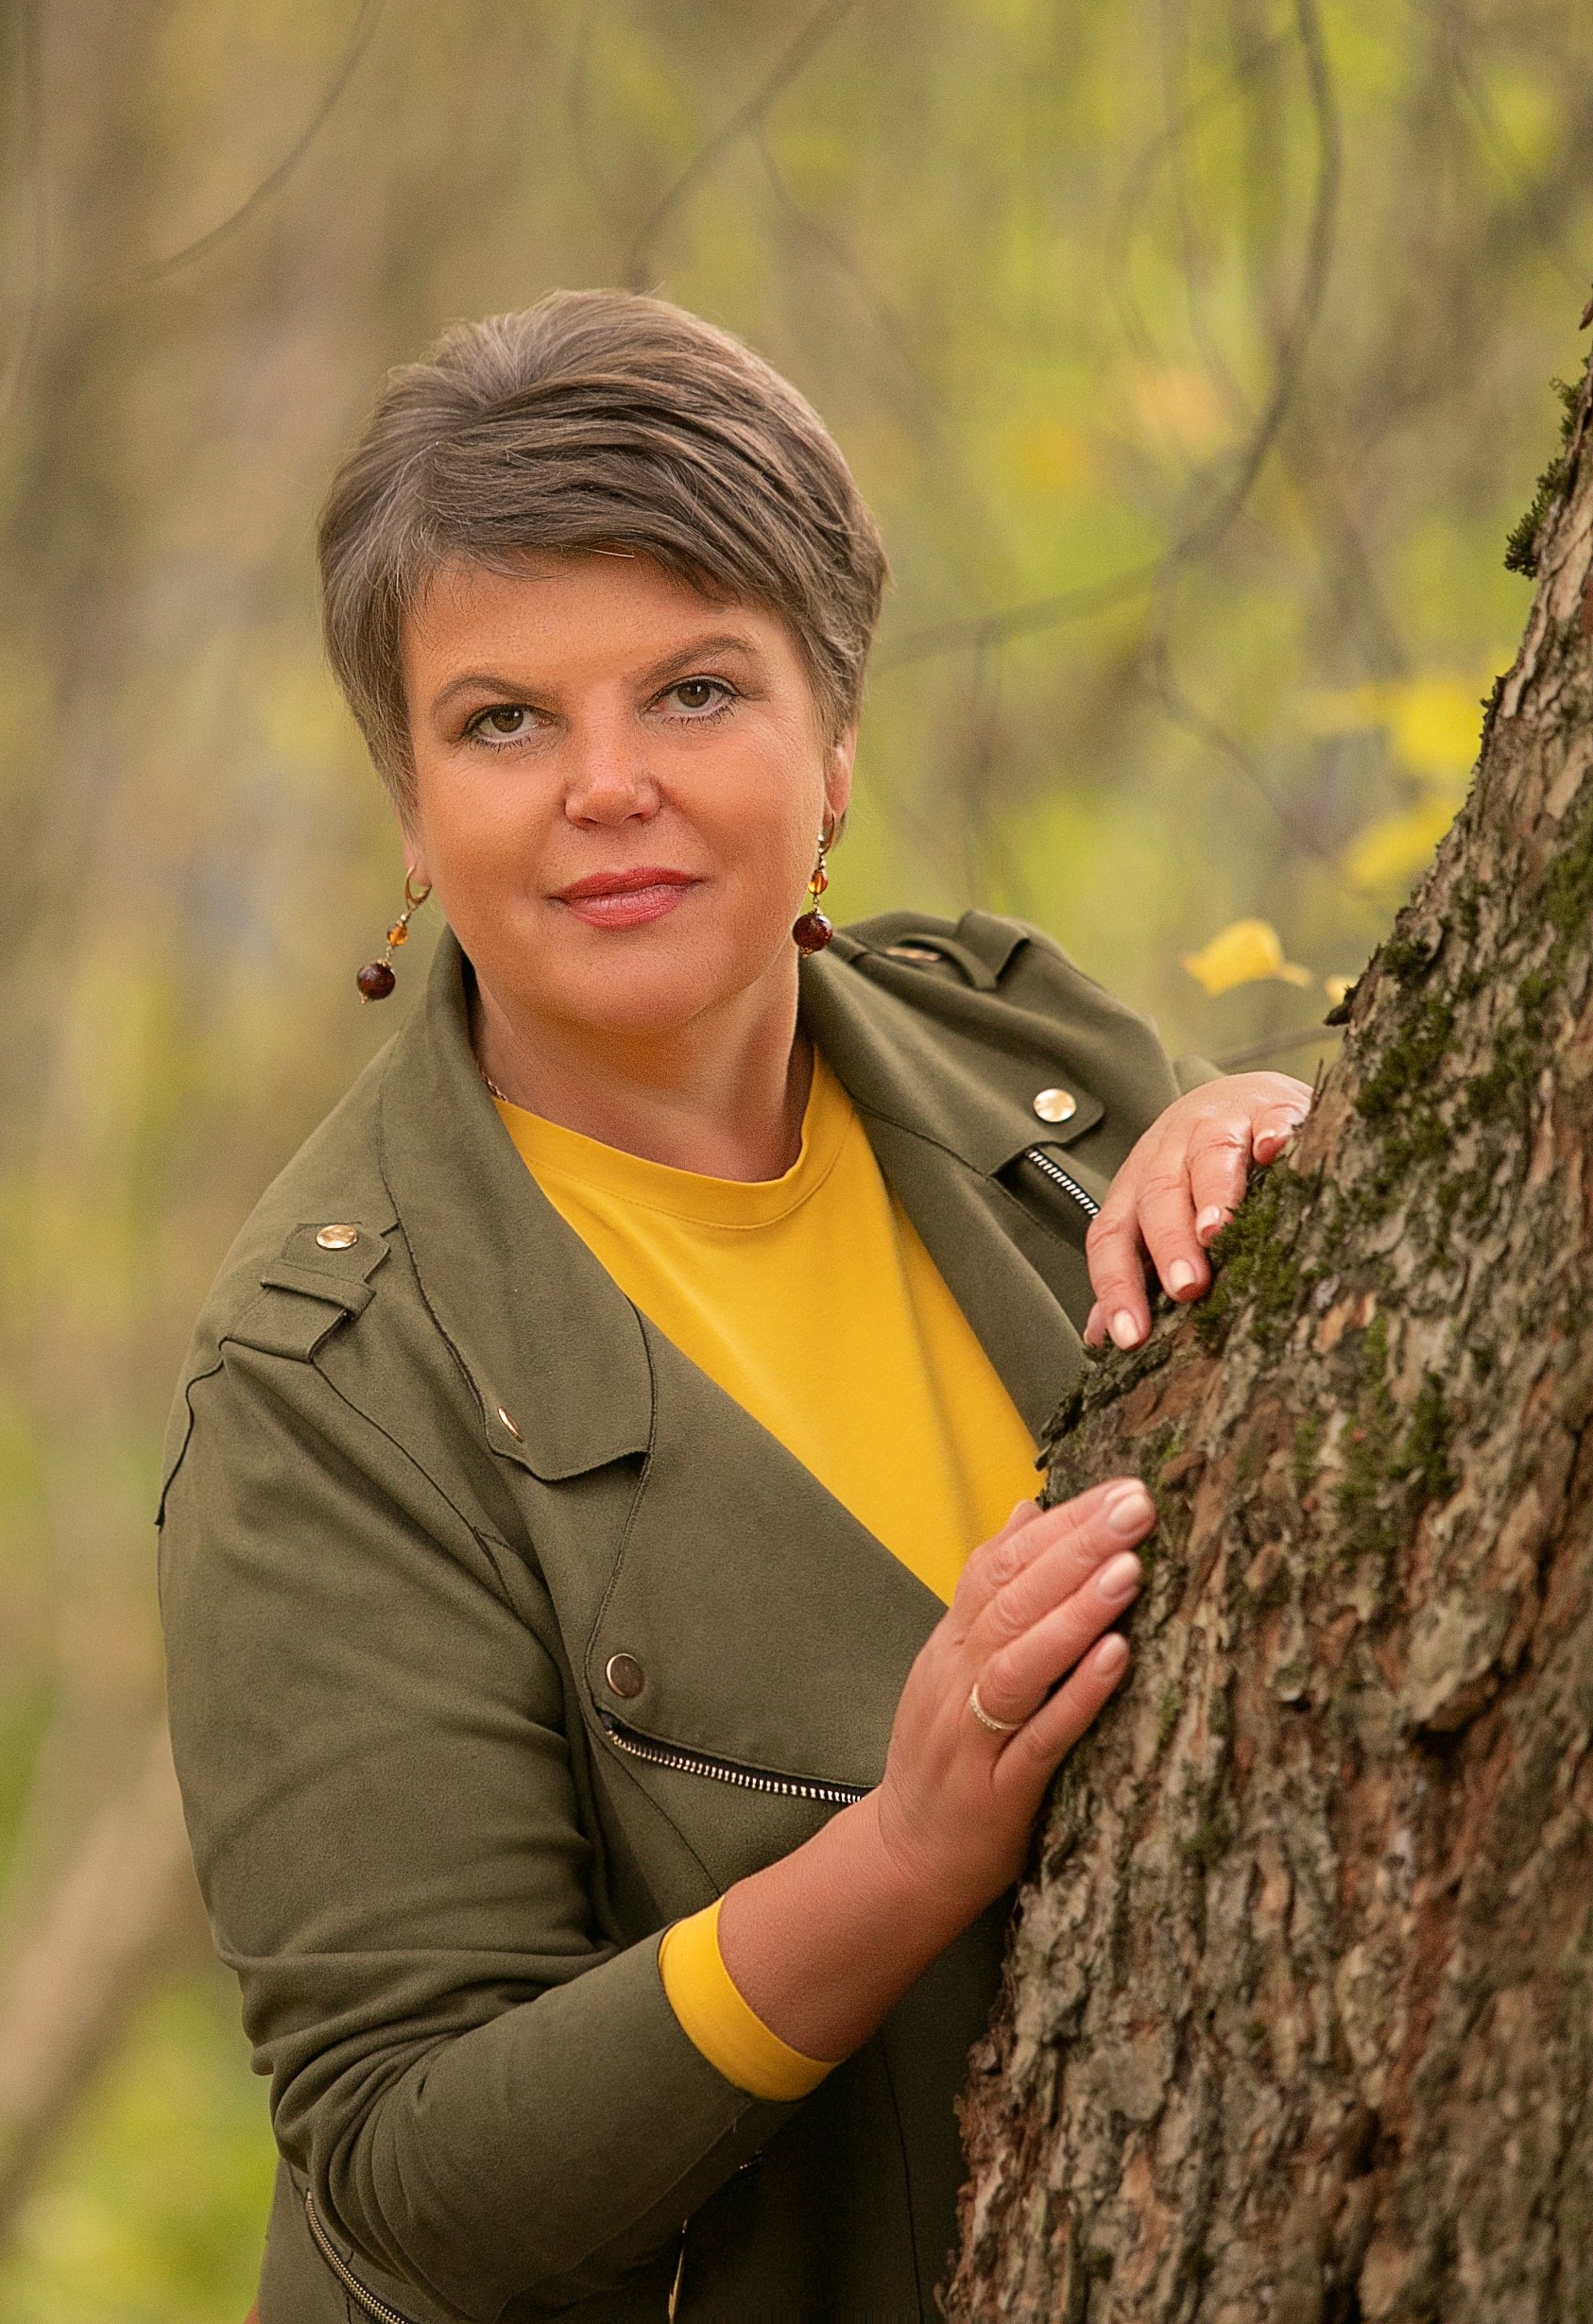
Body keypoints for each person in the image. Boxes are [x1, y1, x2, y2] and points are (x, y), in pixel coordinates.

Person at [159, 291, 1310, 2323]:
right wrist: (901, 1860)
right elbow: (414, 2173)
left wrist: (1296, 1144)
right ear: (413, 812)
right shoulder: (327, 1378)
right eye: (504, 719)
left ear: (835, 739)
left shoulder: (1031, 1062)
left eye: (695, 692)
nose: (607, 786)